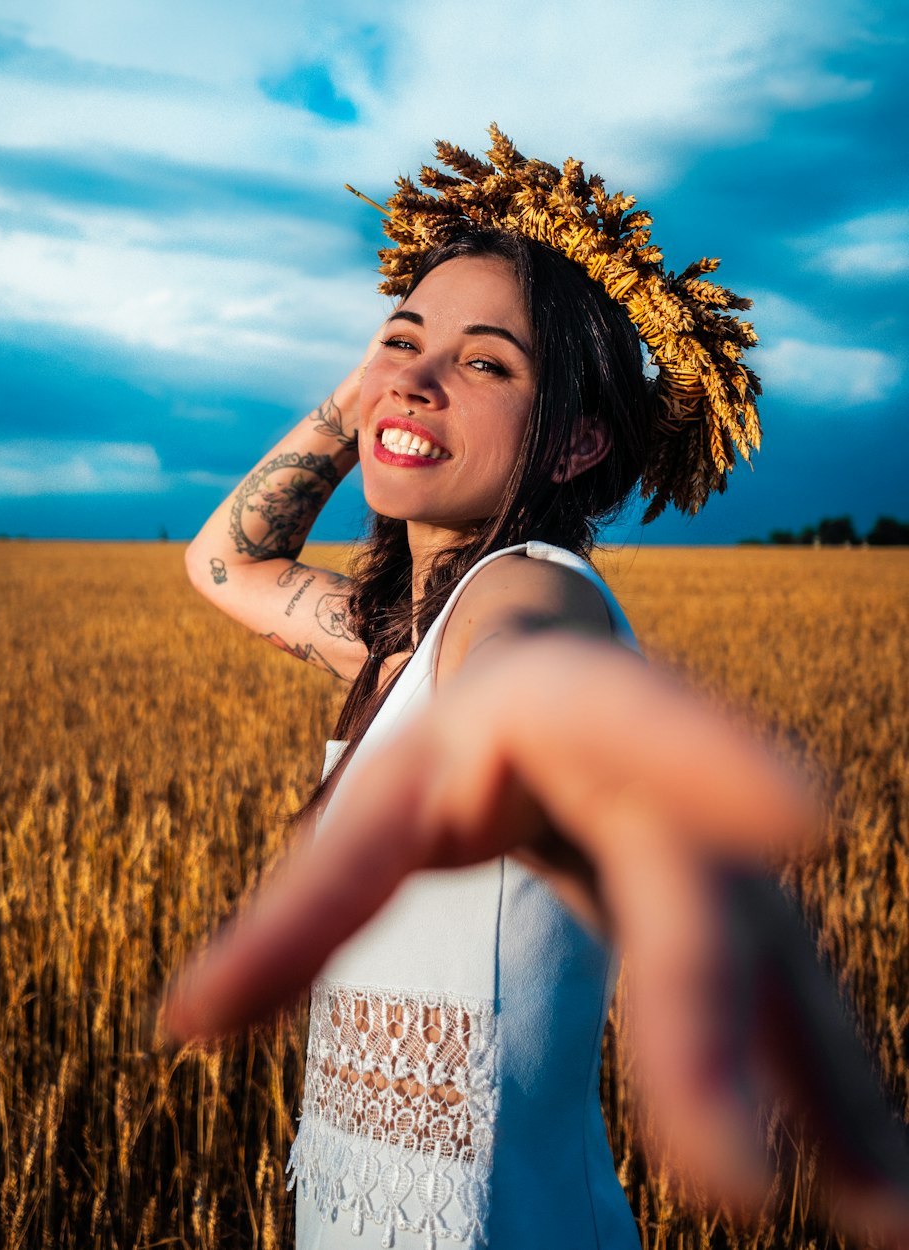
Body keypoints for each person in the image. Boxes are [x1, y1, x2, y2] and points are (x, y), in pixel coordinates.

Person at [164, 129, 909, 1248]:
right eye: (401, 339)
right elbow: (223, 564)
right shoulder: (391, 638)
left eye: (486, 363)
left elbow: (531, 664)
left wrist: (548, 716)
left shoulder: (521, 589)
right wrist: (375, 391)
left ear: (572, 444)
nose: (415, 374)